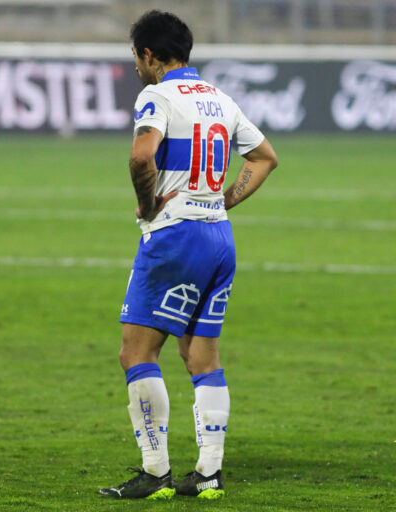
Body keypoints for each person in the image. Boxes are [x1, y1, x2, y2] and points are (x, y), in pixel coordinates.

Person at [99, 10, 278, 500]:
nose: (137, 67)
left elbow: (141, 155)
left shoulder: (156, 95)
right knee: (202, 355)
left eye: (137, 58)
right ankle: (208, 475)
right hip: (219, 239)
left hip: (175, 238)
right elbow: (265, 157)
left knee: (137, 352)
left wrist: (149, 203)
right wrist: (221, 201)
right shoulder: (220, 99)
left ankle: (155, 474)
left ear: (149, 55)